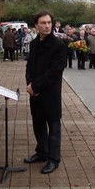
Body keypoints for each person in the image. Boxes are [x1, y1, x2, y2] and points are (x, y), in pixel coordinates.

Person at [25, 10, 65, 174]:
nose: (47, 25)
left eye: (49, 22)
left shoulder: (58, 45)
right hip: (35, 94)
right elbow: (30, 67)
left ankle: (53, 159)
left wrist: (35, 87)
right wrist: (29, 83)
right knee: (38, 124)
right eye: (43, 23)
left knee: (54, 127)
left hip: (50, 94)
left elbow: (55, 72)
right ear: (36, 26)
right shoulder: (34, 43)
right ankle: (42, 152)